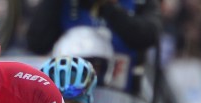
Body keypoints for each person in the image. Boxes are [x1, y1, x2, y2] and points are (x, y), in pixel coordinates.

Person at [26, 0, 161, 96]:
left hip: (123, 100)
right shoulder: (65, 4)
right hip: (71, 101)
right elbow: (37, 43)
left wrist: (109, 9)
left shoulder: (139, 3)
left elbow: (148, 36)